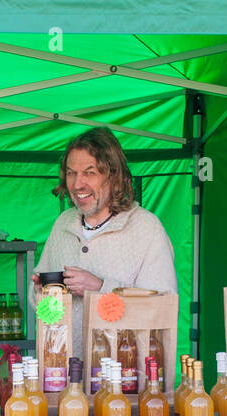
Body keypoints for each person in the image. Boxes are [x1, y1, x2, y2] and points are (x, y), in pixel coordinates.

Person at [32, 128, 179, 357]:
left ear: (113, 175)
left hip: (125, 382)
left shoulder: (146, 228)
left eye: (89, 173)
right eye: (71, 173)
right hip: (64, 378)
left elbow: (162, 311)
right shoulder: (63, 224)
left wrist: (101, 288)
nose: (78, 184)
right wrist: (43, 294)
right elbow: (40, 306)